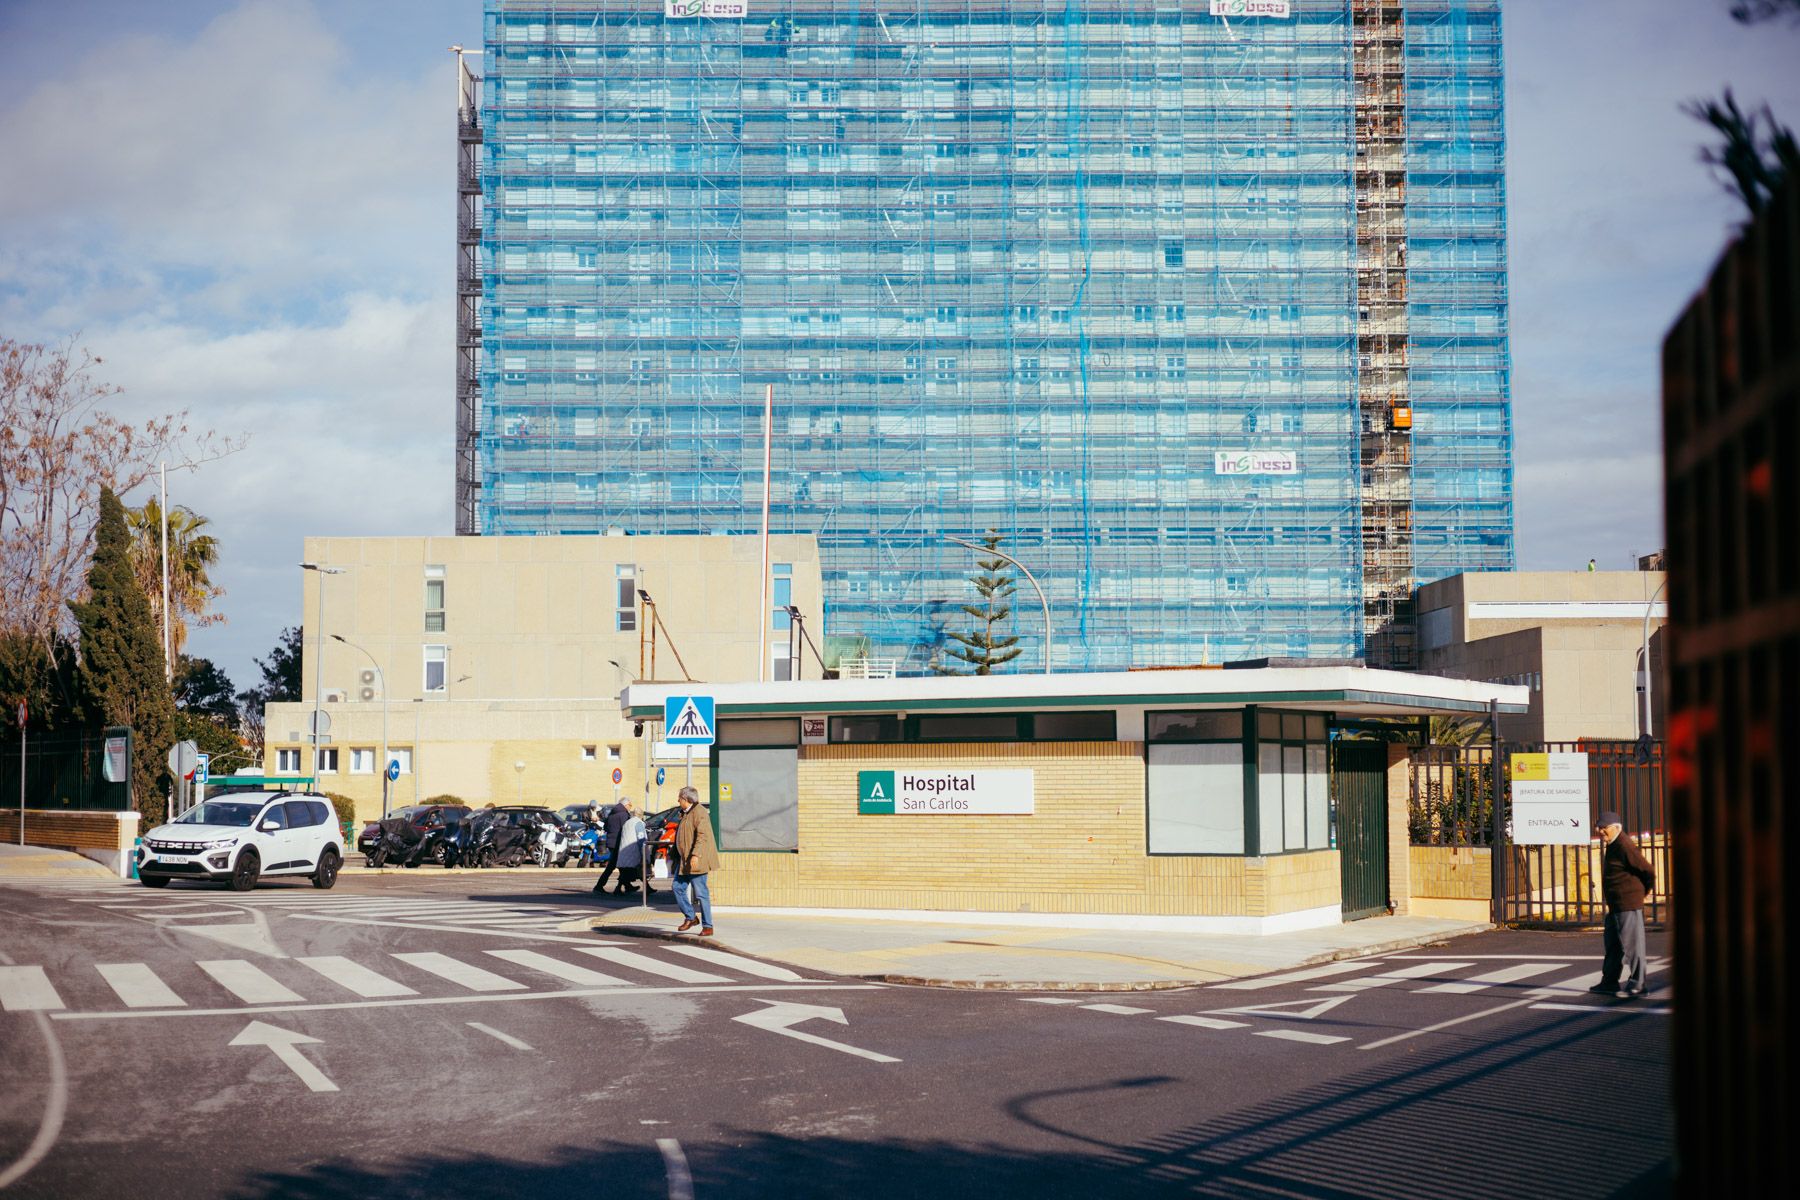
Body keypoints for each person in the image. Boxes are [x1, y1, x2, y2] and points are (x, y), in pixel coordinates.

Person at [1591, 810, 1656, 999]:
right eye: (1599, 828)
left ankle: (1638, 983)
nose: (1600, 831)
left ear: (1615, 827)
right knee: (1613, 943)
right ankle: (1609, 981)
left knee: (1632, 945)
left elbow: (1647, 870)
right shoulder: (1613, 844)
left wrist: (1641, 893)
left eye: (1604, 828)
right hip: (1616, 904)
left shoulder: (1624, 844)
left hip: (1627, 903)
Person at [672, 785, 720, 935]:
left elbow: (702, 836)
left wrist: (695, 855)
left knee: (701, 893)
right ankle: (691, 917)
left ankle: (708, 926)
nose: (678, 800)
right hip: (685, 861)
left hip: (696, 861)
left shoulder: (699, 813)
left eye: (679, 798)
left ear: (686, 799)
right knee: (677, 887)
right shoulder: (686, 813)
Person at [592, 798, 634, 895]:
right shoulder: (624, 814)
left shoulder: (612, 813)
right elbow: (626, 828)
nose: (630, 807)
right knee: (613, 866)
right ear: (626, 805)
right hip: (619, 843)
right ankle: (599, 886)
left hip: (611, 842)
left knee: (619, 865)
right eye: (630, 805)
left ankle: (626, 886)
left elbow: (605, 827)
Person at [614, 805, 648, 894]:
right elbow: (641, 838)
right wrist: (644, 852)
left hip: (623, 851)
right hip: (633, 852)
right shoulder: (639, 823)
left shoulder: (627, 823)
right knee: (638, 871)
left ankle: (647, 888)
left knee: (625, 872)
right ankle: (647, 888)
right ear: (641, 815)